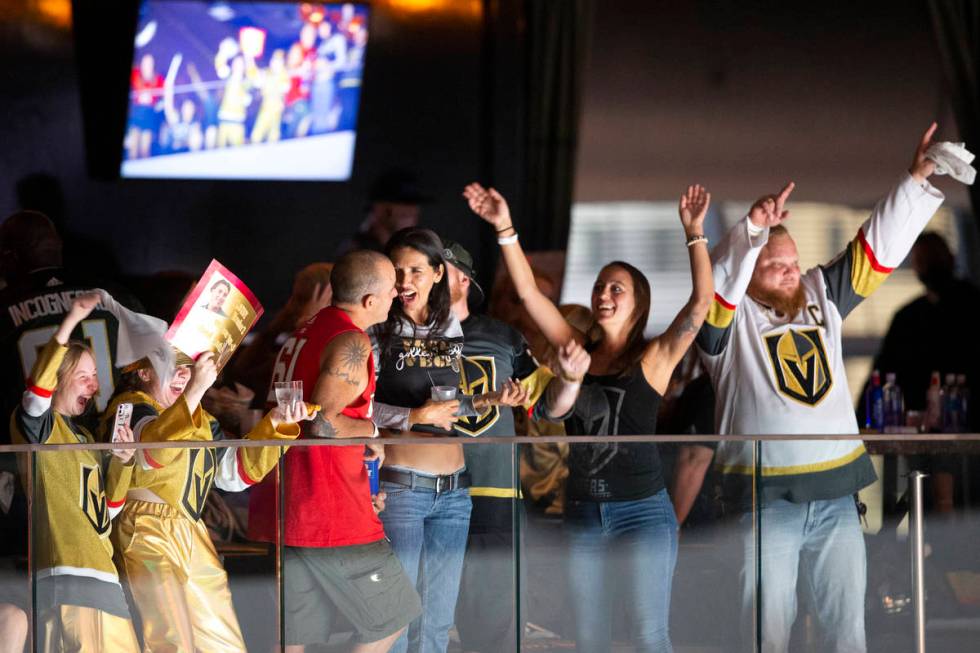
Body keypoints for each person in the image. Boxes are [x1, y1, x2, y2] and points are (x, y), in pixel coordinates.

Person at [694, 124, 946, 652]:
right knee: (764, 635)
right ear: (750, 270)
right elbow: (716, 282)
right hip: (765, 501)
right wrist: (752, 230)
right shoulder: (728, 320)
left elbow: (875, 248)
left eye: (792, 262)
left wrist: (915, 179)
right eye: (773, 264)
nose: (789, 272)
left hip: (835, 496)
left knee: (848, 636)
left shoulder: (818, 293)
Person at [466, 181, 714, 653]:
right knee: (589, 638)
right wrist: (504, 226)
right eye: (599, 285)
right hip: (582, 512)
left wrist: (694, 232)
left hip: (642, 511)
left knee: (648, 633)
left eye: (615, 288)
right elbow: (528, 295)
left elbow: (701, 305)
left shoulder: (654, 357)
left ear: (637, 303)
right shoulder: (573, 348)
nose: (603, 293)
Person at [248, 250, 422, 653]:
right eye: (391, 288)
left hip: (288, 503)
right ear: (369, 301)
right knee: (391, 618)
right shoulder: (351, 340)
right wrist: (376, 429)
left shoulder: (305, 331)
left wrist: (363, 436)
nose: (398, 293)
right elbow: (322, 425)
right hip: (329, 511)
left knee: (295, 639)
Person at [369, 228, 527, 653]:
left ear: (439, 274)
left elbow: (448, 406)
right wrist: (412, 416)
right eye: (397, 271)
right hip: (402, 486)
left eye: (416, 271)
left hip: (456, 490)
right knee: (396, 623)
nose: (405, 281)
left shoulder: (448, 326)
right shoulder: (377, 329)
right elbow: (356, 409)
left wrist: (490, 399)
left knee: (437, 625)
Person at [101, 337, 311, 651]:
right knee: (172, 637)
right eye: (174, 368)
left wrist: (276, 424)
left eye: (190, 369)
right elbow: (151, 452)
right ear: (143, 373)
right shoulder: (130, 405)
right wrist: (196, 390)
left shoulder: (201, 419)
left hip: (192, 530)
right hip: (145, 528)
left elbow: (234, 474)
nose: (185, 376)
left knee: (224, 642)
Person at [440, 238, 589, 653]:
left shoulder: (502, 336)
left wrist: (572, 380)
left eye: (442, 268)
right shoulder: (404, 336)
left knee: (494, 622)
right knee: (426, 620)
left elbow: (551, 405)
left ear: (465, 280)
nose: (431, 276)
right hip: (424, 492)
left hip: (494, 492)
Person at [9, 292, 141, 651]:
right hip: (68, 577)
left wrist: (123, 461)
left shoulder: (83, 436)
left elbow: (108, 512)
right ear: (60, 377)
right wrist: (69, 322)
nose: (93, 386)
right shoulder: (41, 425)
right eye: (83, 375)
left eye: (95, 377)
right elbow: (35, 395)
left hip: (102, 576)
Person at [225, 262, 333, 408]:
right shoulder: (287, 330)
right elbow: (239, 374)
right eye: (293, 297)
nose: (291, 304)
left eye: (301, 299)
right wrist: (274, 329)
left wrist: (307, 331)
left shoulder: (328, 345)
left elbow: (254, 379)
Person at [336, 168, 431, 256]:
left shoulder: (413, 252)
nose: (412, 211)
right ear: (380, 208)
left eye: (415, 204)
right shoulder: (358, 253)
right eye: (403, 203)